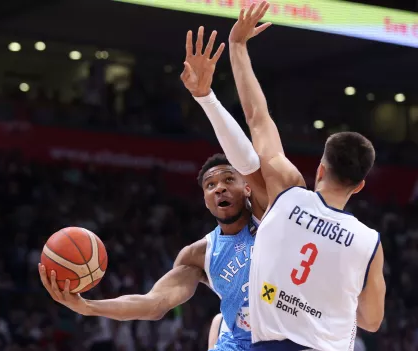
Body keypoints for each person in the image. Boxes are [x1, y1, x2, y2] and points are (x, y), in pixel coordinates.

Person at [39, 29, 269, 351]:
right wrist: (88, 306)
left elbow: (249, 151)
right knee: (221, 328)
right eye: (210, 185)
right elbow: (154, 303)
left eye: (228, 180)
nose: (219, 189)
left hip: (295, 337)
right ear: (204, 199)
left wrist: (206, 97)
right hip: (239, 345)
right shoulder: (199, 255)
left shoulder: (270, 214)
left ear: (246, 187)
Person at [186, 2, 386, 350]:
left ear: (320, 169)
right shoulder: (369, 242)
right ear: (360, 185)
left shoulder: (287, 195)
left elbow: (257, 117)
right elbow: (371, 320)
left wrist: (237, 46)